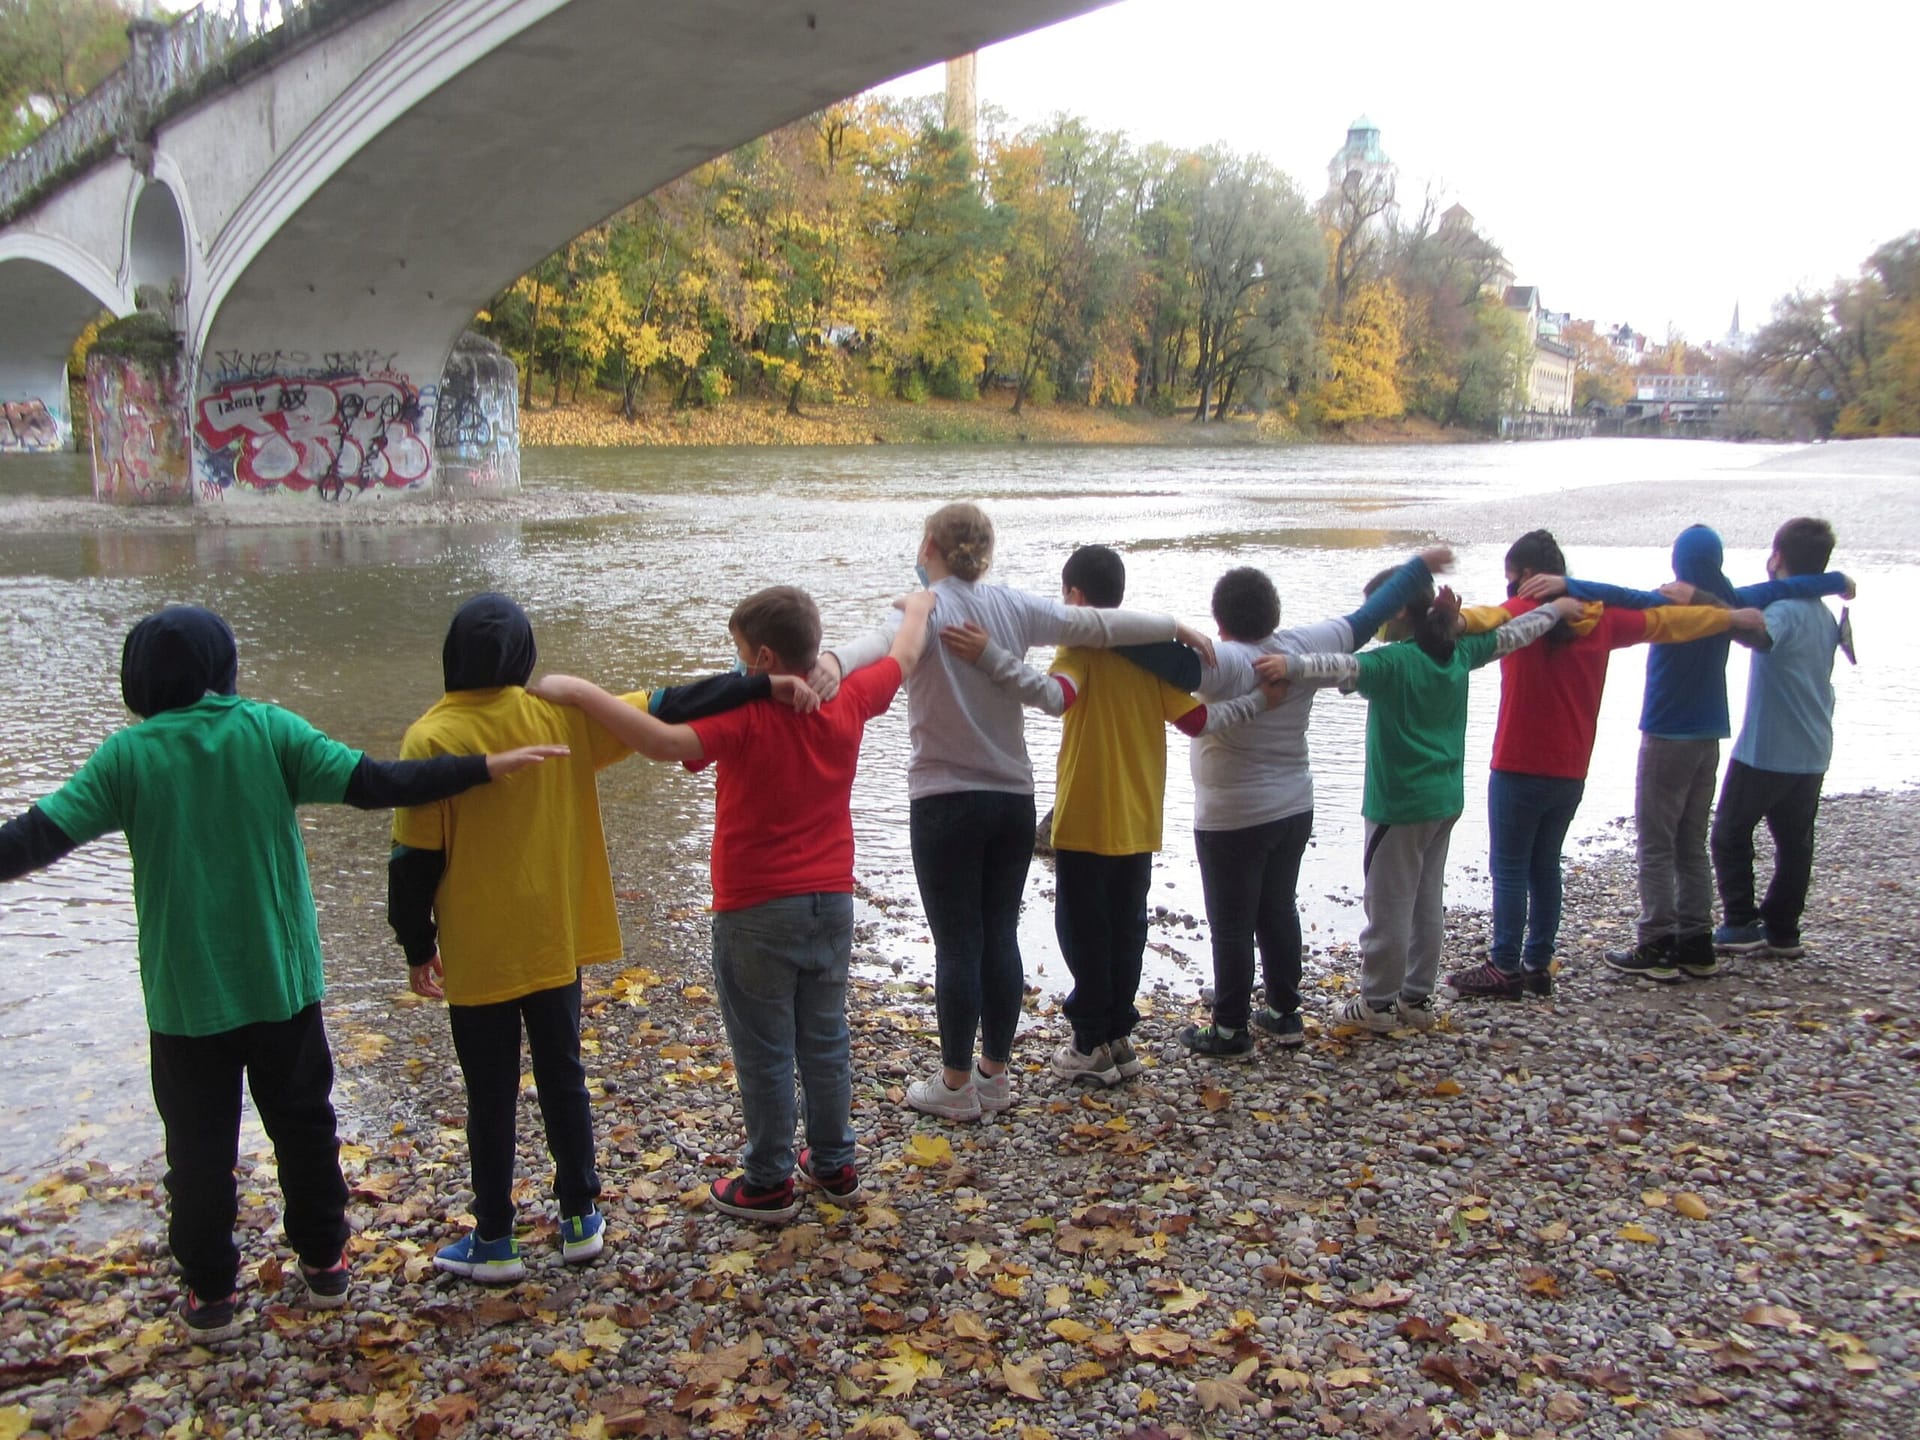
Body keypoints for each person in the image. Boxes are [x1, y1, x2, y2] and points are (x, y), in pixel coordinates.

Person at [0, 605, 563, 1339]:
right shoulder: (269, 730)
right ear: (225, 667)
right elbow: (377, 784)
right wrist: (483, 767)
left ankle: (210, 1295)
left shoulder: (127, 756)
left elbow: (38, 836)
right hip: (282, 984)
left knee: (197, 1151)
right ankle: (325, 1262)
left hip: (185, 998)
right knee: (304, 1126)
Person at [391, 593, 804, 1277]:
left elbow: (413, 861)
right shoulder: (560, 717)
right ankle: (581, 1216)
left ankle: (494, 1237)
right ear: (523, 656)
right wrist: (762, 683)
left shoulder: (429, 739)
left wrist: (416, 944)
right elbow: (673, 701)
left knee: (488, 1096)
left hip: (480, 953)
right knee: (564, 1078)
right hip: (555, 941)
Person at [532, 585, 933, 1222]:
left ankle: (769, 1181)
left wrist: (583, 693)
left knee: (765, 1047)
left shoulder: (748, 714)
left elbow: (663, 742)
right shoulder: (848, 697)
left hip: (755, 907)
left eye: (742, 655)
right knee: (824, 1038)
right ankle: (834, 1163)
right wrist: (919, 606)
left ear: (767, 657)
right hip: (831, 900)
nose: (738, 668)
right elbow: (906, 657)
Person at [812, 503, 1213, 1122]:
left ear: (929, 547)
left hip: (944, 797)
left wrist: (833, 663)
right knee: (998, 931)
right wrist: (1175, 625)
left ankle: (953, 1086)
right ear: (986, 553)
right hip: (1011, 797)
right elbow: (1103, 626)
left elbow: (873, 647)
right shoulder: (1017, 606)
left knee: (957, 941)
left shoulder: (922, 608)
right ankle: (994, 1076)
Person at [942, 544, 1269, 1084]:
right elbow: (1198, 721)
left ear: (1073, 597)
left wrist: (990, 657)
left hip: (1089, 814)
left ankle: (1090, 1041)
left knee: (1083, 930)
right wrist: (1262, 701)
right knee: (1126, 930)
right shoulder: (1146, 651)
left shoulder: (1080, 646)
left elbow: (1059, 695)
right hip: (1140, 816)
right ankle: (1120, 1037)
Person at [1516, 525, 1851, 981]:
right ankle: (1696, 943)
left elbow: (1619, 595)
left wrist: (1567, 585)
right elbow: (1787, 586)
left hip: (1668, 734)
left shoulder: (1674, 601)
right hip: (1709, 736)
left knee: (1656, 842)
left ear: (1679, 562)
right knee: (1691, 841)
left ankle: (1656, 942)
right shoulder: (1729, 603)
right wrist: (1835, 582)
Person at [1444, 530, 1766, 1003]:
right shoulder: (1602, 619)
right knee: (1545, 866)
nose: (1511, 591)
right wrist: (1730, 617)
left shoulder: (1521, 612)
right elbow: (1671, 622)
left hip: (1517, 763)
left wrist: (1449, 618)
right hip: (1572, 770)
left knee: (1510, 867)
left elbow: (1482, 619)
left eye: (1513, 581)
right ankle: (1538, 966)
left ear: (1530, 578)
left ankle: (1504, 965)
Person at [1254, 585, 1579, 1032]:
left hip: (1399, 805)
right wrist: (1555, 608)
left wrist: (1289, 664)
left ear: (1400, 613)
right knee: (1427, 899)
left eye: (1380, 611)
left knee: (1387, 903)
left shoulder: (1394, 662)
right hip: (1444, 800)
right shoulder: (1459, 651)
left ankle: (1377, 1003)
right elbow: (1514, 635)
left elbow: (1336, 668)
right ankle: (1416, 997)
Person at [1175, 546, 1452, 1058]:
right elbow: (1369, 616)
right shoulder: (1305, 645)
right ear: (1274, 612)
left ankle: (1231, 1028)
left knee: (1231, 924)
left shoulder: (1227, 660)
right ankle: (1284, 1013)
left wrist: (1155, 626)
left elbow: (1167, 667)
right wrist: (1419, 567)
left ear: (1219, 620)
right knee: (1278, 908)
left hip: (1232, 817)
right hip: (1293, 807)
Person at [1708, 518, 1848, 960]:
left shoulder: (1784, 609)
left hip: (1767, 750)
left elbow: (1761, 636)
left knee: (1729, 833)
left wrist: (1714, 616)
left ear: (1777, 558)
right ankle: (1784, 929)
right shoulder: (1824, 614)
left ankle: (1740, 922)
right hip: (1813, 747)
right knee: (1794, 842)